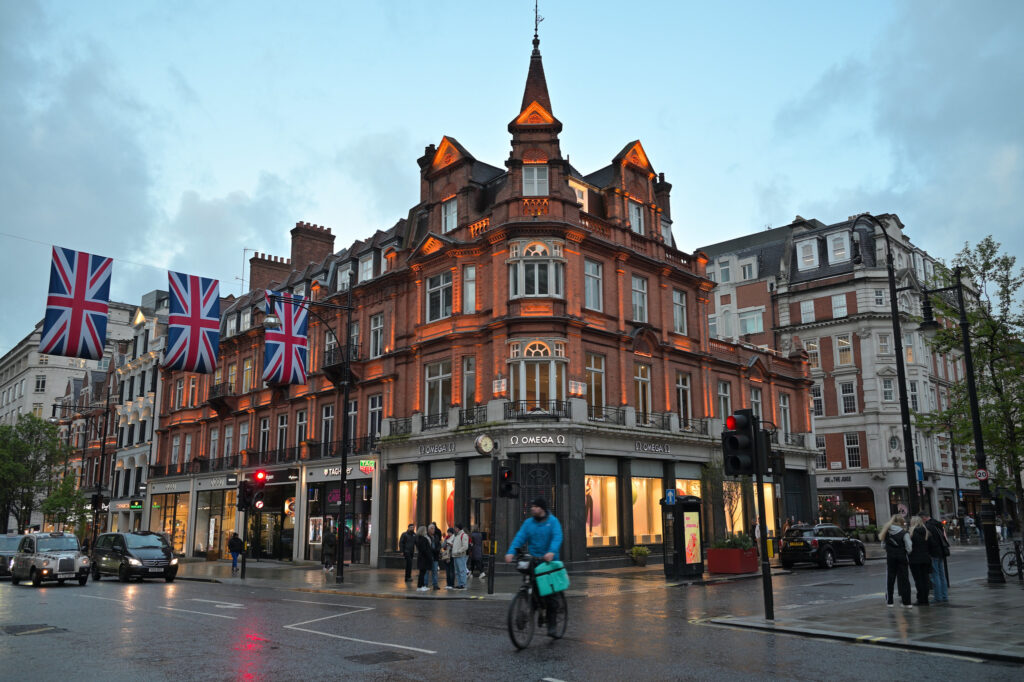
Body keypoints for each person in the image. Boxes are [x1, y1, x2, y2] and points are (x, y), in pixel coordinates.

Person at [505, 497, 564, 636]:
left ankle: (552, 625)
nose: (532, 508)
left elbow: (557, 537)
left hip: (549, 562)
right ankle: (534, 606)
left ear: (542, 509)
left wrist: (551, 551)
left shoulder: (553, 522)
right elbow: (520, 537)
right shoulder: (528, 523)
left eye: (535, 506)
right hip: (534, 560)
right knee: (532, 586)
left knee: (550, 595)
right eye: (532, 506)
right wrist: (511, 552)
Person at [880, 513, 913, 608]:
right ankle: (907, 602)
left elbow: (882, 545)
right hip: (902, 557)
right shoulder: (904, 533)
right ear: (901, 522)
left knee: (890, 579)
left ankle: (890, 601)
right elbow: (909, 547)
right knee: (904, 579)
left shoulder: (886, 532)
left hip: (890, 557)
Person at [920, 511, 949, 603]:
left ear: (924, 518)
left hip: (933, 553)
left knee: (935, 575)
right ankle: (944, 596)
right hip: (941, 552)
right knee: (941, 575)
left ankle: (938, 597)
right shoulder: (938, 524)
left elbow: (928, 542)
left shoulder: (928, 527)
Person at [908, 516, 931, 605]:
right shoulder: (926, 532)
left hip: (915, 559)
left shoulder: (912, 533)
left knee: (918, 580)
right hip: (925, 558)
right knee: (925, 579)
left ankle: (921, 599)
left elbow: (909, 547)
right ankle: (925, 598)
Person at [451, 523, 469, 589]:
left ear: (458, 528)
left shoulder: (463, 535)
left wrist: (458, 551)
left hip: (460, 556)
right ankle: (459, 584)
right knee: (457, 571)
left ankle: (463, 584)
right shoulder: (456, 536)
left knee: (462, 570)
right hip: (455, 556)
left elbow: (465, 546)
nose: (454, 529)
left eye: (455, 528)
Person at [414, 526, 433, 591]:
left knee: (422, 572)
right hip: (424, 558)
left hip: (421, 557)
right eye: (425, 530)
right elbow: (425, 550)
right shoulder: (423, 539)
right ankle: (420, 586)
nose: (426, 531)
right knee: (422, 573)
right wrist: (429, 556)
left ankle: (421, 586)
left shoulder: (418, 539)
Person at [428, 522, 442, 590]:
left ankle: (435, 584)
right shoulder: (427, 537)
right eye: (432, 528)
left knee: (435, 571)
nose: (433, 530)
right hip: (429, 556)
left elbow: (439, 544)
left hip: (435, 556)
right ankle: (425, 584)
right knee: (427, 571)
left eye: (433, 528)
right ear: (429, 529)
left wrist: (438, 550)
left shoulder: (436, 536)